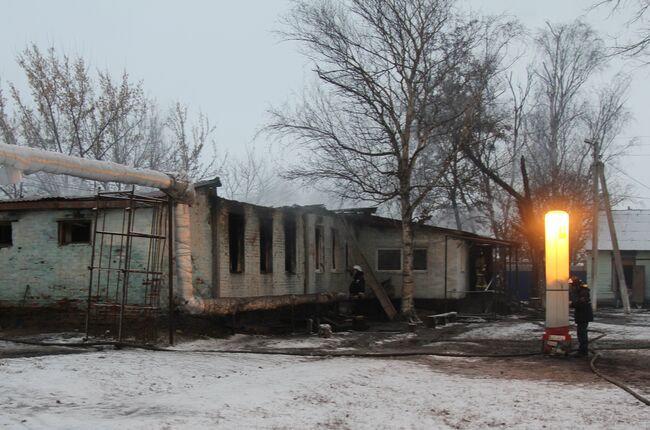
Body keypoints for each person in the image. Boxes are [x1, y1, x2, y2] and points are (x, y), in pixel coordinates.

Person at [569, 277, 594, 356]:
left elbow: (581, 303)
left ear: (576, 285)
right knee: (581, 333)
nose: (571, 287)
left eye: (572, 285)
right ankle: (582, 350)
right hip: (582, 315)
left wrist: (572, 304)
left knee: (582, 333)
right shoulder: (580, 291)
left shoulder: (583, 291)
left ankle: (583, 351)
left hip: (583, 315)